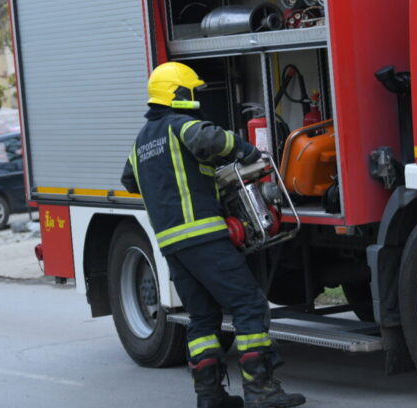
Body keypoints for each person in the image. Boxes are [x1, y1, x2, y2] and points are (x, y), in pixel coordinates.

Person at [121, 62, 306, 408]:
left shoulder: (139, 145)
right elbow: (212, 139)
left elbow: (129, 181)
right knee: (249, 306)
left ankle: (209, 396)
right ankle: (260, 390)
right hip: (204, 237)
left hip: (172, 247)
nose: (197, 97)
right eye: (192, 90)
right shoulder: (182, 126)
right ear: (178, 93)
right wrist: (248, 152)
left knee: (203, 318)